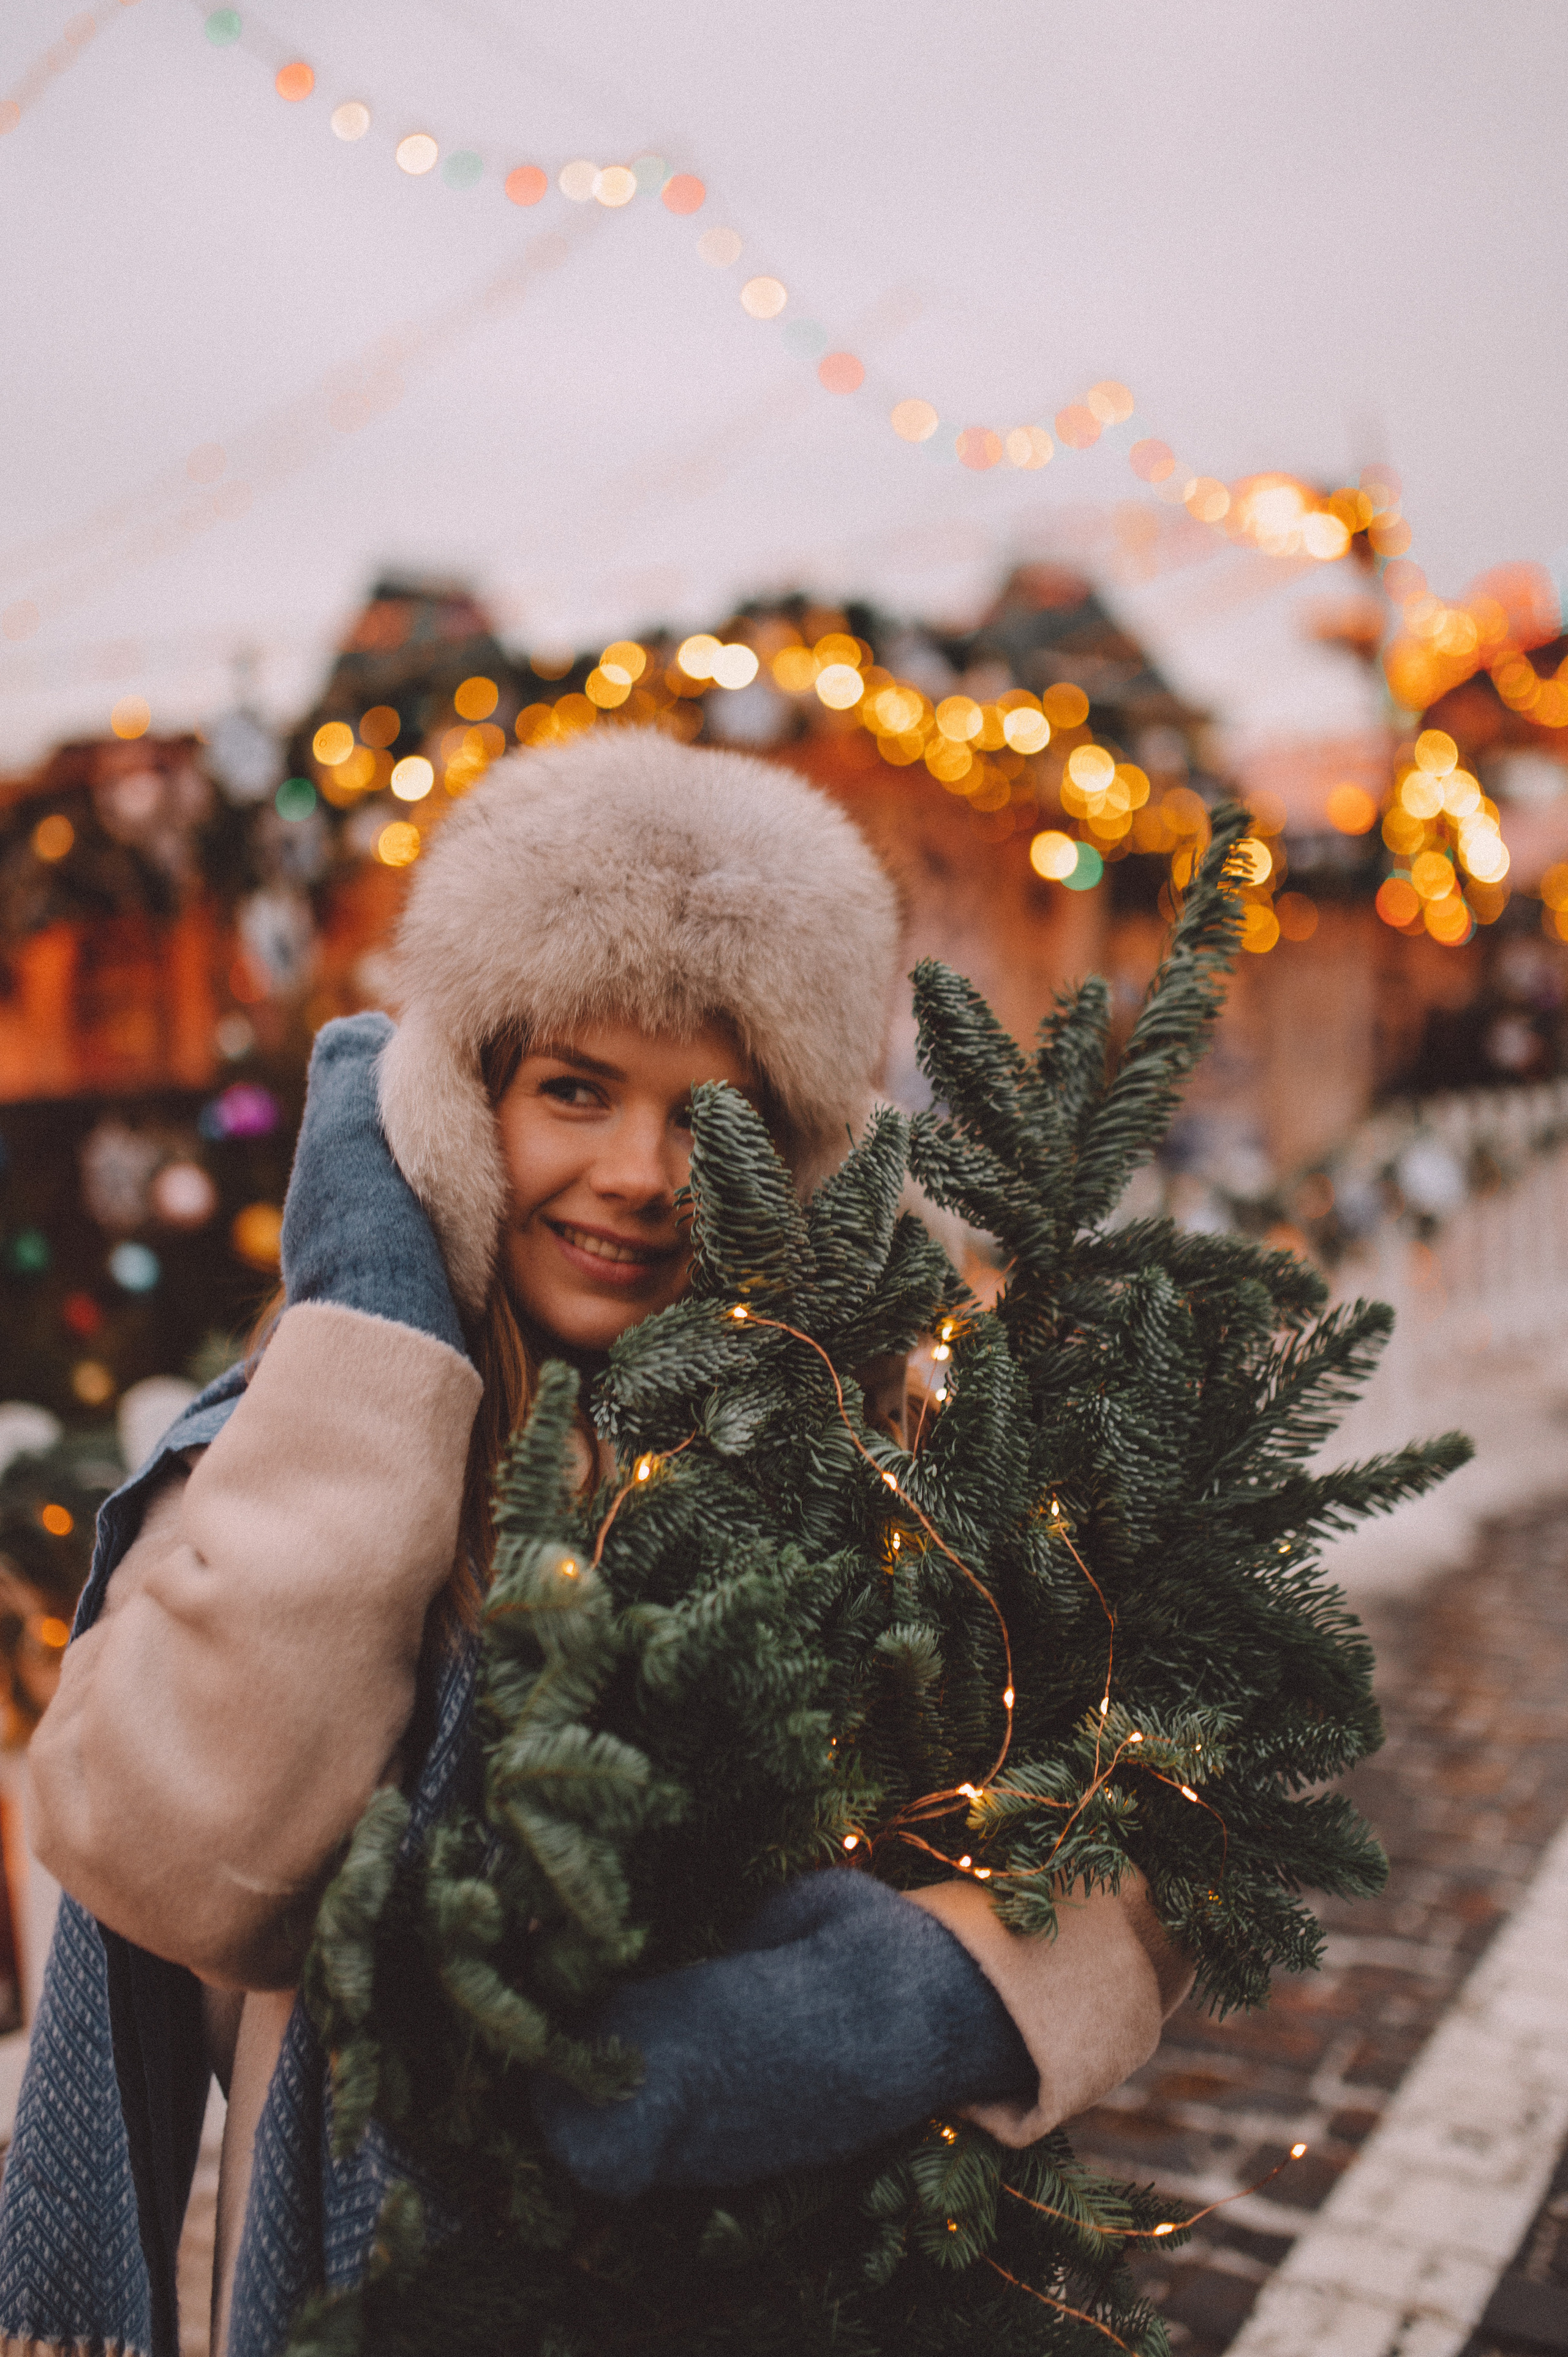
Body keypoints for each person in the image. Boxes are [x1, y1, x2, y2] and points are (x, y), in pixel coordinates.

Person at [0, 729, 1191, 2357]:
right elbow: (174, 1850)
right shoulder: (301, 1432)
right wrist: (373, 1346)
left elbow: (1159, 1826)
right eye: (575, 1088)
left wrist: (883, 2017)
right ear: (464, 1098)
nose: (639, 1176)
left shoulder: (899, 1439)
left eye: (714, 1114)